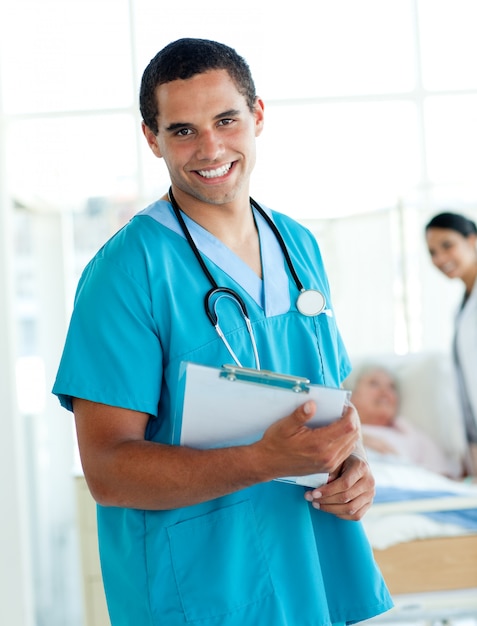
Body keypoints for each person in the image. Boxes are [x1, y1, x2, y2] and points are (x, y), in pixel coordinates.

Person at [53, 38, 392, 625]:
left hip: (309, 570)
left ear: (258, 116)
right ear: (152, 138)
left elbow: (329, 409)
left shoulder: (299, 246)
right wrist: (259, 461)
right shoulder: (126, 271)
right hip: (199, 590)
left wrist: (353, 466)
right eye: (182, 130)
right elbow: (107, 471)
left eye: (226, 120)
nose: (210, 148)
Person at [425, 212, 477, 477]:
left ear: (472, 240)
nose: (440, 259)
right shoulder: (462, 306)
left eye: (447, 245)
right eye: (432, 252)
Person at [344, 364, 462, 478]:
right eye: (374, 383)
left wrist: (395, 457)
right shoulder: (340, 430)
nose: (385, 392)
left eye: (392, 387)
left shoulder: (413, 436)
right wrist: (359, 440)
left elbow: (445, 479)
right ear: (352, 395)